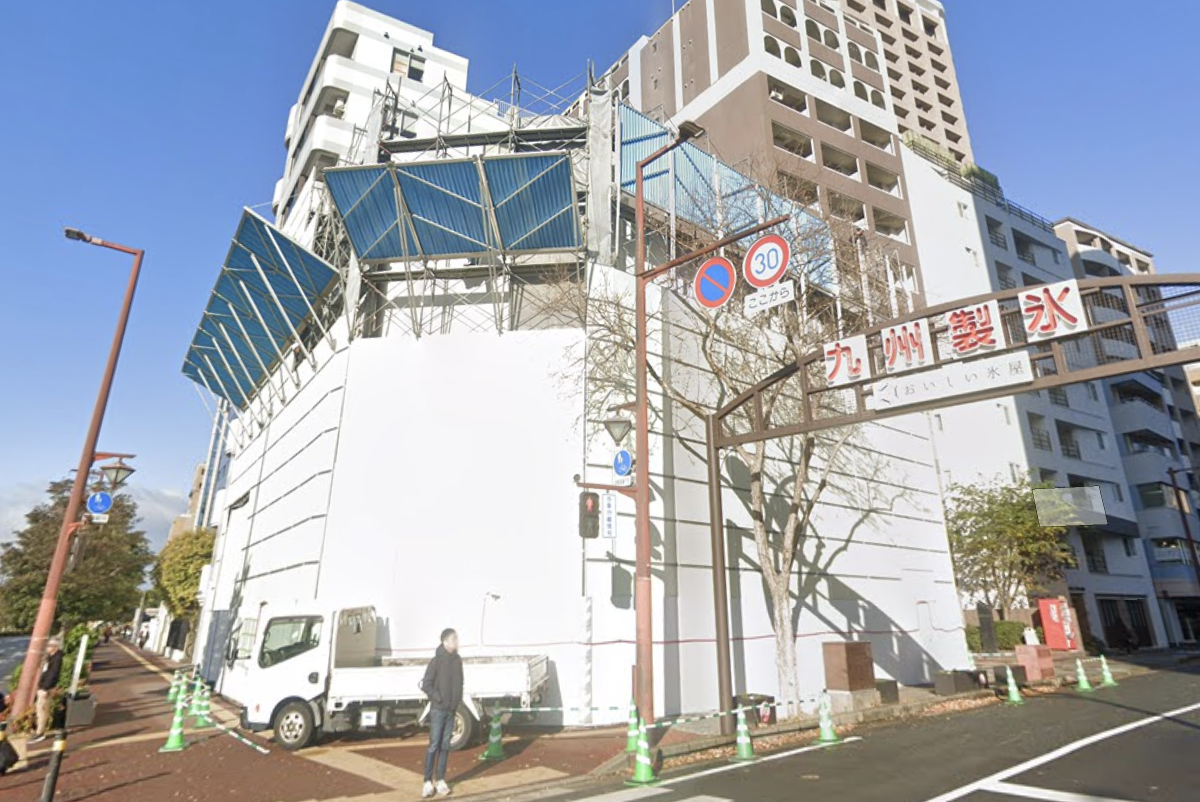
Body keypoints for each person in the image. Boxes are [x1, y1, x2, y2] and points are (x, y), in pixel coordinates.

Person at [419, 628, 463, 798]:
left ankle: (441, 780)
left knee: (445, 745)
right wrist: (438, 698)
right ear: (445, 642)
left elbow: (460, 682)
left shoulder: (457, 661)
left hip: (451, 710)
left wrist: (456, 701)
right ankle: (427, 781)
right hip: (438, 710)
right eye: (454, 639)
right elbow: (426, 684)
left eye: (456, 639)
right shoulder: (436, 661)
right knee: (434, 745)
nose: (457, 642)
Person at [30, 639, 63, 744]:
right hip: (44, 687)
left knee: (42, 709)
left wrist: (45, 688)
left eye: (50, 645)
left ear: (55, 647)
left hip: (46, 688)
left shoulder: (57, 658)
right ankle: (39, 730)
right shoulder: (51, 657)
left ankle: (40, 733)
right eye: (48, 645)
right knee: (40, 709)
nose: (47, 647)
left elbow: (53, 674)